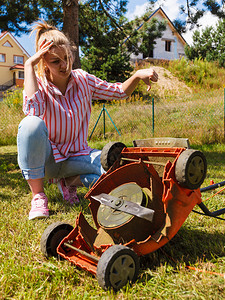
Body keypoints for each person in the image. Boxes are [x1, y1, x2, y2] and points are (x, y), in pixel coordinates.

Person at [17, 21, 158, 220]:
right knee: (30, 124)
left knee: (114, 169)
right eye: (56, 61)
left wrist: (136, 75)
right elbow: (32, 113)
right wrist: (29, 65)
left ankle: (71, 182)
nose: (64, 65)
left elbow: (118, 92)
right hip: (48, 161)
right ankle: (39, 195)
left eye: (67, 58)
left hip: (78, 156)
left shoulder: (83, 80)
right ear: (44, 63)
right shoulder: (38, 84)